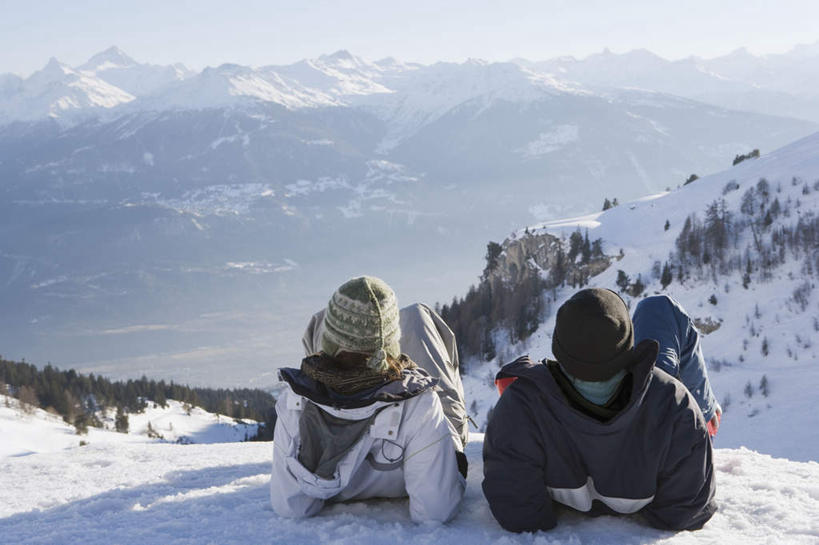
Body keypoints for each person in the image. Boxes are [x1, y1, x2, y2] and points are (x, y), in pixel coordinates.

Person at [483, 288, 716, 533]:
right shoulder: (675, 406)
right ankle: (709, 415)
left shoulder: (521, 406)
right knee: (659, 308)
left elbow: (519, 513)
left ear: (559, 350)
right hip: (654, 407)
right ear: (630, 349)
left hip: (546, 418)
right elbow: (686, 512)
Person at [270, 276, 467, 523]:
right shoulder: (421, 403)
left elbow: (291, 506)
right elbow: (435, 509)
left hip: (320, 404)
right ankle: (370, 339)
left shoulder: (296, 402)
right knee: (419, 316)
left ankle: (339, 356)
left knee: (320, 319)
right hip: (407, 406)